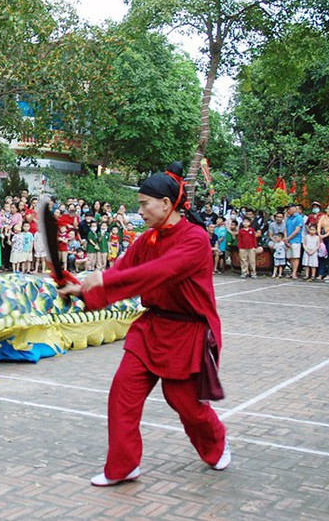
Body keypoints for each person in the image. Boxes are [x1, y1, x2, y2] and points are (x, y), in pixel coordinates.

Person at [58, 163, 229, 486]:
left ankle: (216, 442)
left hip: (187, 331)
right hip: (151, 328)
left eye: (144, 204)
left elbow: (158, 272)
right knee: (122, 393)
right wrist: (82, 290)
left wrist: (105, 277)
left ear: (166, 204)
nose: (140, 211)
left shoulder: (194, 240)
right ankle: (122, 466)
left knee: (184, 402)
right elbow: (124, 270)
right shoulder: (148, 239)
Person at [284, 204, 304, 279]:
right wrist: (286, 238)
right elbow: (285, 229)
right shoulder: (289, 218)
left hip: (296, 240)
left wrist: (288, 238)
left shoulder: (299, 218)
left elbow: (297, 230)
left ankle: (295, 272)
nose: (289, 210)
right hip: (288, 240)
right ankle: (292, 271)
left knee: (295, 257)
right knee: (290, 257)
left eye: (290, 209)